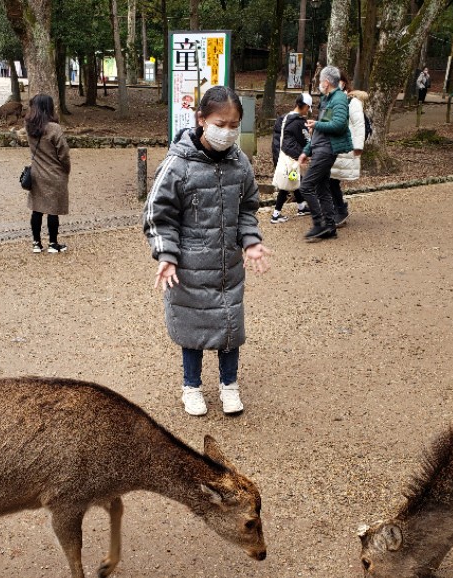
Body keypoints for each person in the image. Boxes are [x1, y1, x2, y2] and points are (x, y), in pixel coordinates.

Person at [143, 85, 271, 416]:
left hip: (228, 266)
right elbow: (158, 215)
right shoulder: (177, 164)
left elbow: (248, 208)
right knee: (193, 329)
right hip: (190, 267)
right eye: (220, 124)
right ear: (201, 119)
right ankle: (192, 387)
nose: (227, 132)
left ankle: (230, 385)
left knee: (230, 327)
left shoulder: (240, 162)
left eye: (234, 125)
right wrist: (166, 256)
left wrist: (251, 241)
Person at [298, 66, 353, 242]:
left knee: (306, 186)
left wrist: (316, 124)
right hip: (321, 148)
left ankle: (320, 224)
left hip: (327, 150)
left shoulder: (339, 99)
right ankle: (329, 227)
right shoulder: (328, 99)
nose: (319, 84)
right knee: (322, 188)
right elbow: (322, 129)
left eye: (320, 81)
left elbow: (339, 125)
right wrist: (307, 151)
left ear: (327, 83)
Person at [25, 94, 70, 254]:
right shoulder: (54, 128)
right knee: (52, 210)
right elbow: (64, 154)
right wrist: (66, 170)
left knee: (37, 209)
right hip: (54, 174)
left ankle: (36, 243)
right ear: (49, 107)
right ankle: (53, 243)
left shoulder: (29, 127)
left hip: (37, 173)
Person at [328, 76, 366, 228]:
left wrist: (358, 146)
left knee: (331, 180)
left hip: (343, 146)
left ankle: (340, 210)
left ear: (343, 83)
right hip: (330, 147)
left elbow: (359, 124)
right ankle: (336, 208)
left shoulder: (352, 102)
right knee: (328, 180)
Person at [270, 92, 312, 223]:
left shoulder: (285, 118)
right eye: (308, 108)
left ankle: (301, 207)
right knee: (286, 185)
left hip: (283, 154)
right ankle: (276, 215)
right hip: (292, 157)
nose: (308, 111)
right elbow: (307, 141)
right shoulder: (300, 122)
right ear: (305, 106)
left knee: (294, 180)